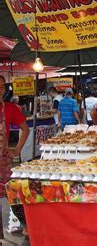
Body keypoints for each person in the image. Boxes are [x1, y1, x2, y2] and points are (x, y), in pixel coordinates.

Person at [0, 75, 29, 238]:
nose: (0, 90)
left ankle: (26, 227)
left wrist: (17, 150)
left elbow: (25, 129)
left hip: (3, 161)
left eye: (3, 87)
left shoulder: (10, 108)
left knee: (13, 195)